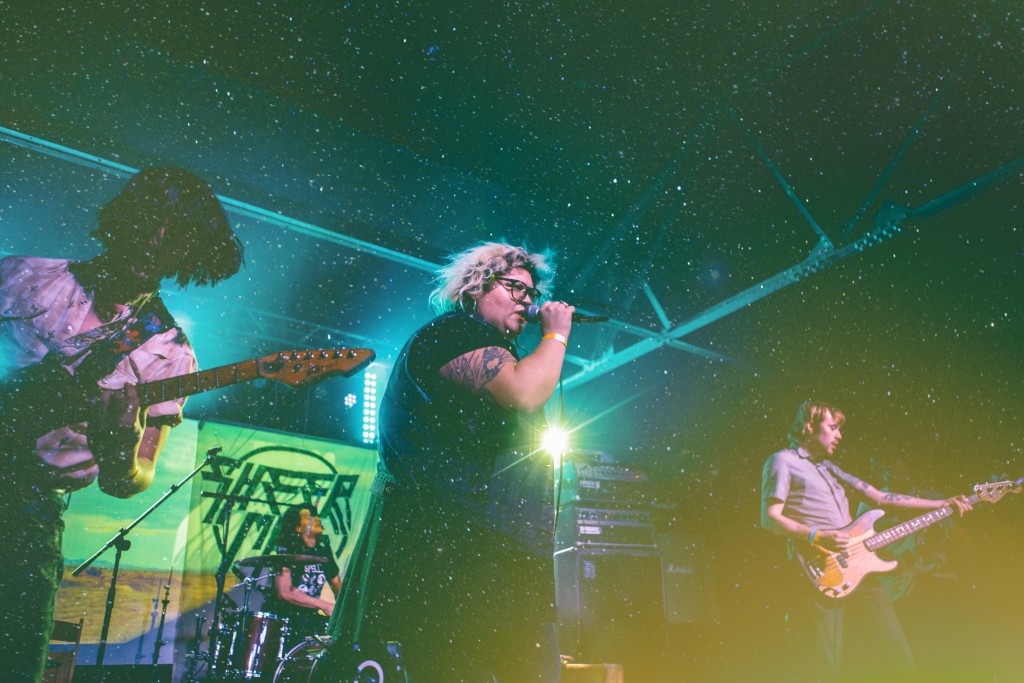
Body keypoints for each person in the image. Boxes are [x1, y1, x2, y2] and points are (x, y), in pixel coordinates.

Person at [0, 166, 243, 681]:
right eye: (150, 222)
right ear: (124, 220)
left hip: (24, 515)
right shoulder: (21, 276)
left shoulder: (169, 353)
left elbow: (130, 481)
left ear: (188, 254)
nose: (155, 242)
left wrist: (120, 453)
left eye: (175, 237)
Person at [319, 241, 573, 683]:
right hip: (447, 552)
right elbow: (525, 392)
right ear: (477, 286)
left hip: (490, 551)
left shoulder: (493, 346)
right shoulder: (453, 333)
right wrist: (556, 334)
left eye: (531, 293)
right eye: (515, 287)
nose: (527, 301)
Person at [760, 400, 971, 682]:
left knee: (900, 660)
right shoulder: (782, 461)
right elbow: (769, 517)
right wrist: (817, 535)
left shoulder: (831, 469)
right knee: (824, 670)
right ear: (810, 426)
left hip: (861, 573)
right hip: (819, 571)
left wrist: (941, 503)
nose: (839, 435)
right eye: (833, 427)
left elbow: (883, 498)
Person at [266, 504, 342, 649]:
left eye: (317, 515)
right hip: (287, 619)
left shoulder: (323, 551)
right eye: (309, 517)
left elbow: (338, 585)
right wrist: (325, 605)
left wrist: (343, 611)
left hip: (310, 618)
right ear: (298, 528)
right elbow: (284, 592)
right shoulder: (288, 550)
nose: (316, 519)